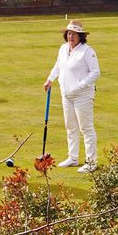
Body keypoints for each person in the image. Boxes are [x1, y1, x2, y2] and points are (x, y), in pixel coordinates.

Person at [44, 19, 99, 172]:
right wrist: (50, 79)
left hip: (83, 95)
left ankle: (91, 162)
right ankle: (73, 158)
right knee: (70, 127)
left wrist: (81, 85)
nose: (71, 36)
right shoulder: (63, 48)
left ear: (81, 36)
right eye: (69, 33)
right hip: (66, 94)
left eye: (74, 34)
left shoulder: (88, 51)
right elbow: (58, 66)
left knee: (86, 128)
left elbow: (95, 72)